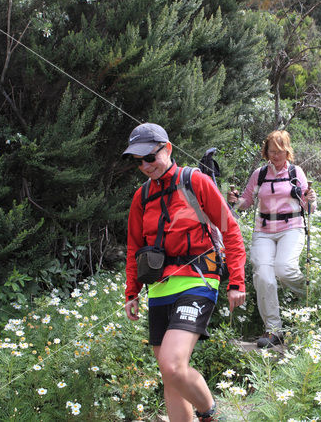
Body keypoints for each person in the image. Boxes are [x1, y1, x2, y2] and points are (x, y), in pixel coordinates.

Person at [122, 123, 246, 422]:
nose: (145, 166)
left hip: (198, 280)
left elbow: (231, 231)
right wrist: (131, 292)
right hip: (160, 287)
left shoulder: (195, 180)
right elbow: (133, 247)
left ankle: (209, 414)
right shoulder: (141, 197)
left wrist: (237, 281)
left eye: (149, 158)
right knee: (169, 375)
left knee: (173, 364)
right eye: (138, 161)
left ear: (167, 149)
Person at [227, 130, 316, 348]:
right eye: (271, 151)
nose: (275, 156)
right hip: (264, 230)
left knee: (284, 268)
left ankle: (312, 295)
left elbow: (309, 208)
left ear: (287, 151)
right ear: (266, 151)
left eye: (279, 151)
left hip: (292, 227)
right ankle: (273, 330)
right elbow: (247, 201)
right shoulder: (260, 174)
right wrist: (234, 201)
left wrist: (310, 200)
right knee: (263, 275)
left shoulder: (296, 172)